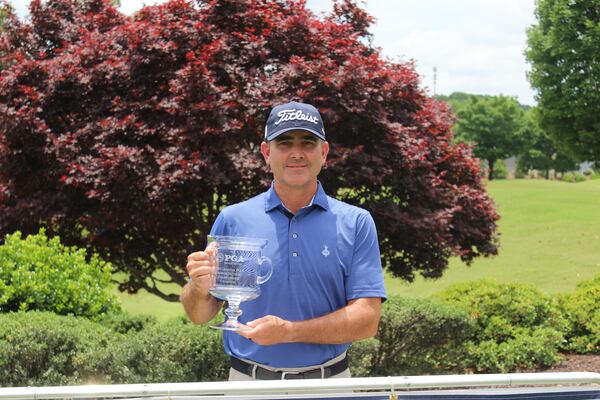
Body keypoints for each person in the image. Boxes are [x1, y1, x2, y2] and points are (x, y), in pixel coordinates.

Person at [181, 101, 386, 380]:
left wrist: (289, 332)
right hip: (249, 385)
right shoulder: (234, 219)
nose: (296, 153)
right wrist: (198, 287)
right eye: (285, 142)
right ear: (267, 152)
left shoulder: (356, 222)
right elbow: (200, 314)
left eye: (308, 143)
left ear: (324, 153)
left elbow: (367, 320)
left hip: (329, 386)